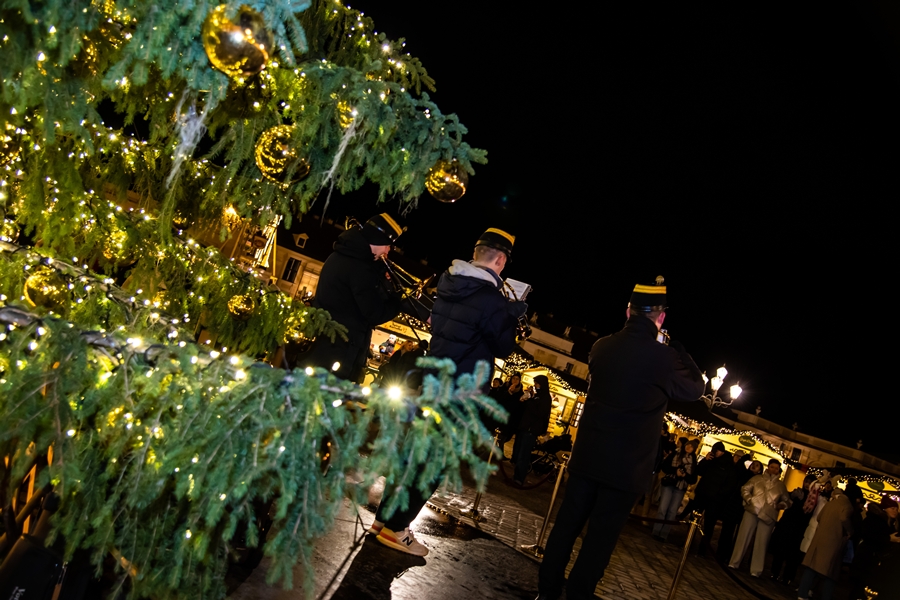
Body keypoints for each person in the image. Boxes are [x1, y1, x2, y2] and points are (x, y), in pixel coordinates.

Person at [536, 278, 705, 600]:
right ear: (661, 317)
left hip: (588, 456)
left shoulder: (602, 346)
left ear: (628, 311)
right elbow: (696, 388)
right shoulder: (665, 358)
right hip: (626, 469)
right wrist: (679, 350)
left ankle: (547, 592)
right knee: (599, 541)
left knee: (565, 527)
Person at [372, 227, 524, 557]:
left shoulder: (448, 282)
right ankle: (397, 528)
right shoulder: (491, 300)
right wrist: (513, 314)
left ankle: (383, 519)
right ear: (500, 260)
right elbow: (503, 346)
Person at [298, 214, 405, 381]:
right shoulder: (360, 268)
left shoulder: (342, 255)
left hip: (324, 349)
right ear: (376, 240)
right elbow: (374, 313)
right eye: (387, 245)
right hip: (339, 355)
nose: (387, 251)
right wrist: (397, 300)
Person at [728, 458, 791, 576]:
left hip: (768, 515)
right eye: (772, 467)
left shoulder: (780, 486)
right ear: (768, 467)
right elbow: (745, 489)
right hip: (752, 510)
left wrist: (781, 505)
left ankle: (756, 570)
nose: (774, 470)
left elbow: (787, 501)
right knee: (743, 536)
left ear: (779, 470)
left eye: (776, 468)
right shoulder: (757, 479)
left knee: (762, 542)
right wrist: (749, 500)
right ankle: (734, 562)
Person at [796, 489, 854, 600]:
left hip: (819, 539)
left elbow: (819, 517)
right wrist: (849, 531)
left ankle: (802, 593)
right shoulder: (847, 505)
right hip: (833, 542)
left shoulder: (830, 503)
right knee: (831, 573)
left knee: (811, 568)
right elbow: (844, 518)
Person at [769, 473, 816, 585]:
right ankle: (775, 573)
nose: (807, 484)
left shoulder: (813, 498)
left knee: (792, 556)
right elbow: (786, 502)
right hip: (786, 526)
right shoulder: (797, 492)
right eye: (806, 481)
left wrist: (800, 501)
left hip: (798, 530)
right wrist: (792, 497)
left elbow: (806, 514)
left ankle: (788, 577)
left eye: (810, 482)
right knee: (780, 551)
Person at [652, 438, 697, 542]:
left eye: (691, 446)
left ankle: (664, 534)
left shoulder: (693, 461)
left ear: (694, 449)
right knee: (662, 508)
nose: (688, 447)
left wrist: (685, 475)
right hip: (669, 484)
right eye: (687, 445)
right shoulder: (675, 454)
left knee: (672, 512)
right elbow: (665, 467)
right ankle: (656, 531)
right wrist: (675, 471)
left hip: (681, 488)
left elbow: (693, 479)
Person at [512, 375, 553, 485]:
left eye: (537, 383)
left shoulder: (545, 397)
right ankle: (516, 476)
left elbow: (540, 413)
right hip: (524, 428)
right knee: (518, 453)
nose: (535, 385)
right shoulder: (537, 396)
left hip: (531, 430)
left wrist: (530, 401)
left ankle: (519, 478)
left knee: (524, 455)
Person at [718, 458, 761, 562]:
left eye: (757, 465)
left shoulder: (758, 481)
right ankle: (720, 552)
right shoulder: (743, 474)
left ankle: (730, 554)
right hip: (733, 505)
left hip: (744, 508)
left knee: (738, 533)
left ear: (760, 470)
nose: (754, 466)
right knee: (726, 530)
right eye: (753, 464)